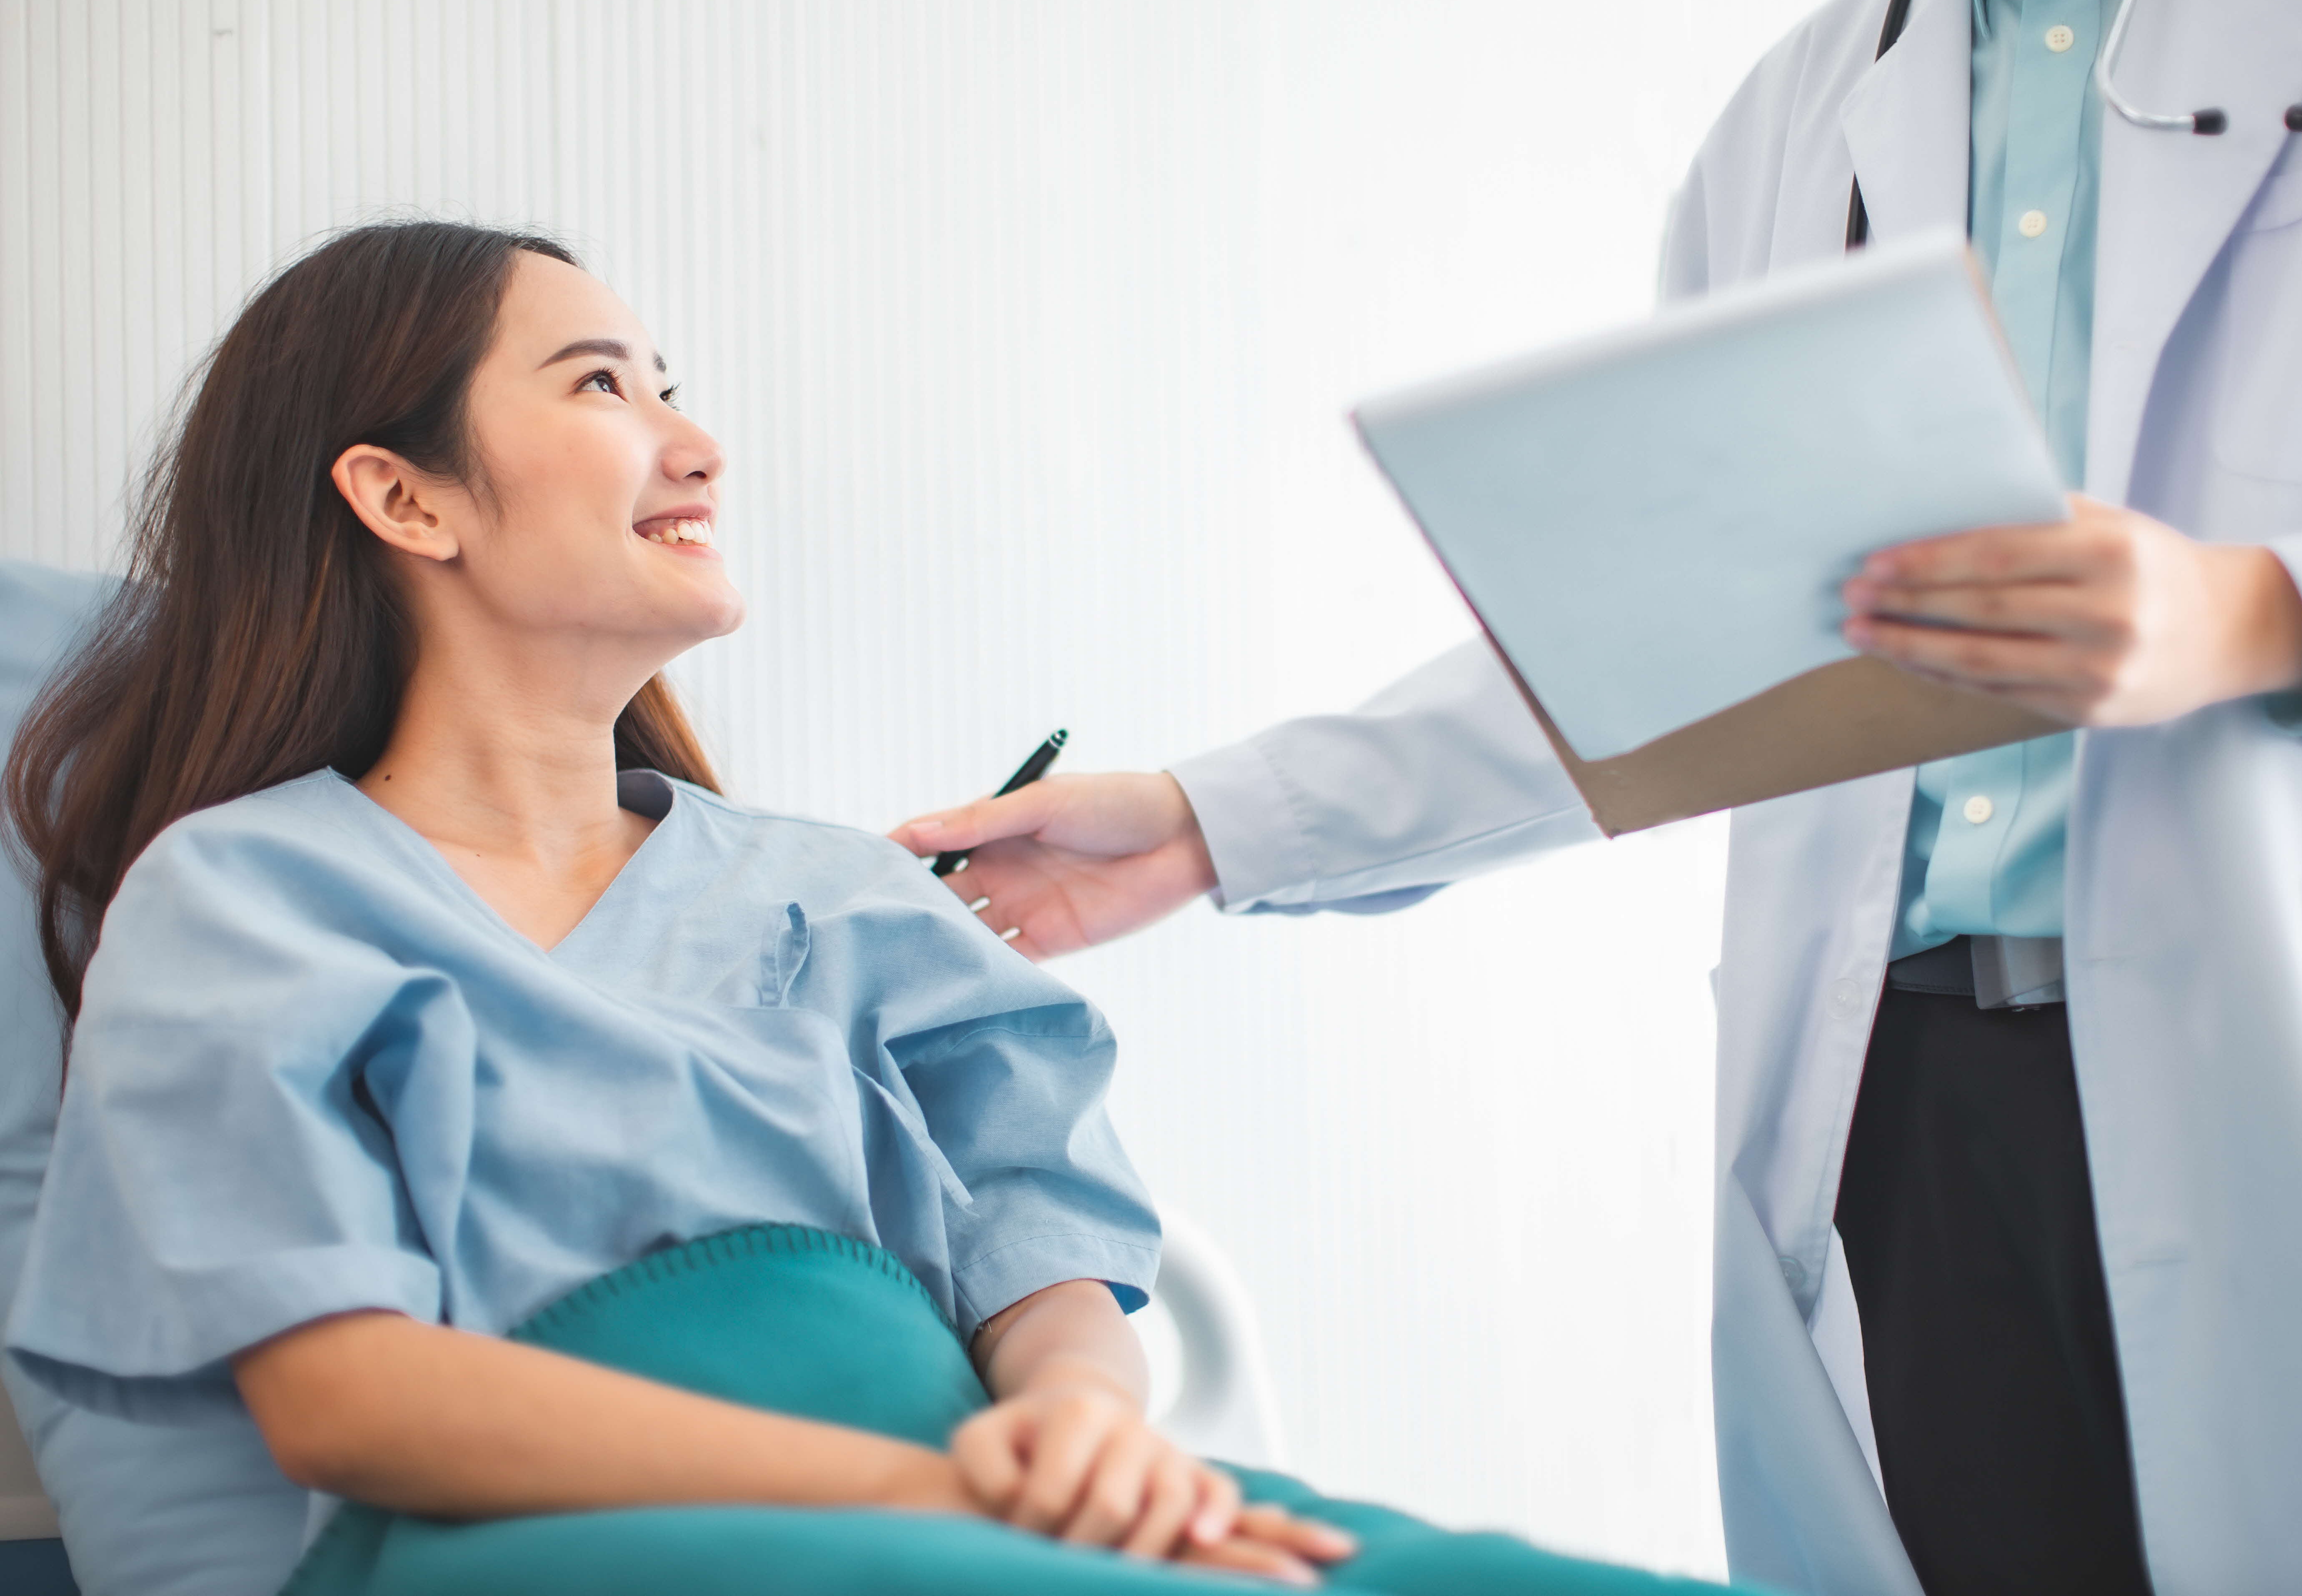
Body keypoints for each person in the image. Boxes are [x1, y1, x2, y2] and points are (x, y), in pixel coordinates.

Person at [892, 0, 2302, 1593]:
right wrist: (1210, 823)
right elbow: (1688, 651)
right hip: (1912, 1101)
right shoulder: (1806, 106)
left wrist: (2269, 612)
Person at [0, 222, 1747, 1596]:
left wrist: (1073, 1433)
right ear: (404, 495)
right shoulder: (247, 896)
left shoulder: (836, 896)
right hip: (543, 1542)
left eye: (667, 383)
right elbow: (351, 1402)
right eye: (605, 387)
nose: (695, 443)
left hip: (976, 1496)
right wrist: (933, 1497)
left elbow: (1044, 1251)